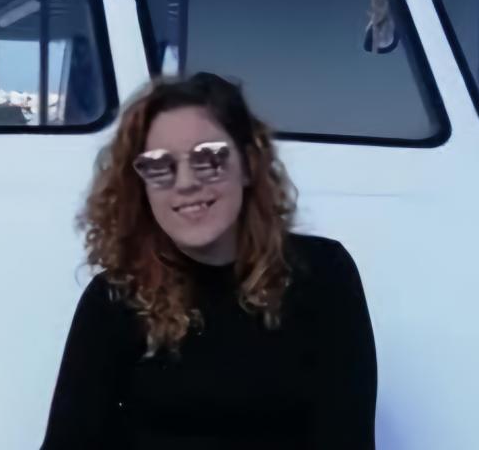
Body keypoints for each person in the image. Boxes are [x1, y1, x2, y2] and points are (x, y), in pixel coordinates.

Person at [40, 72, 377, 449]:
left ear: (248, 164)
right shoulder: (114, 298)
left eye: (208, 158)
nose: (185, 183)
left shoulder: (324, 274)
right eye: (159, 165)